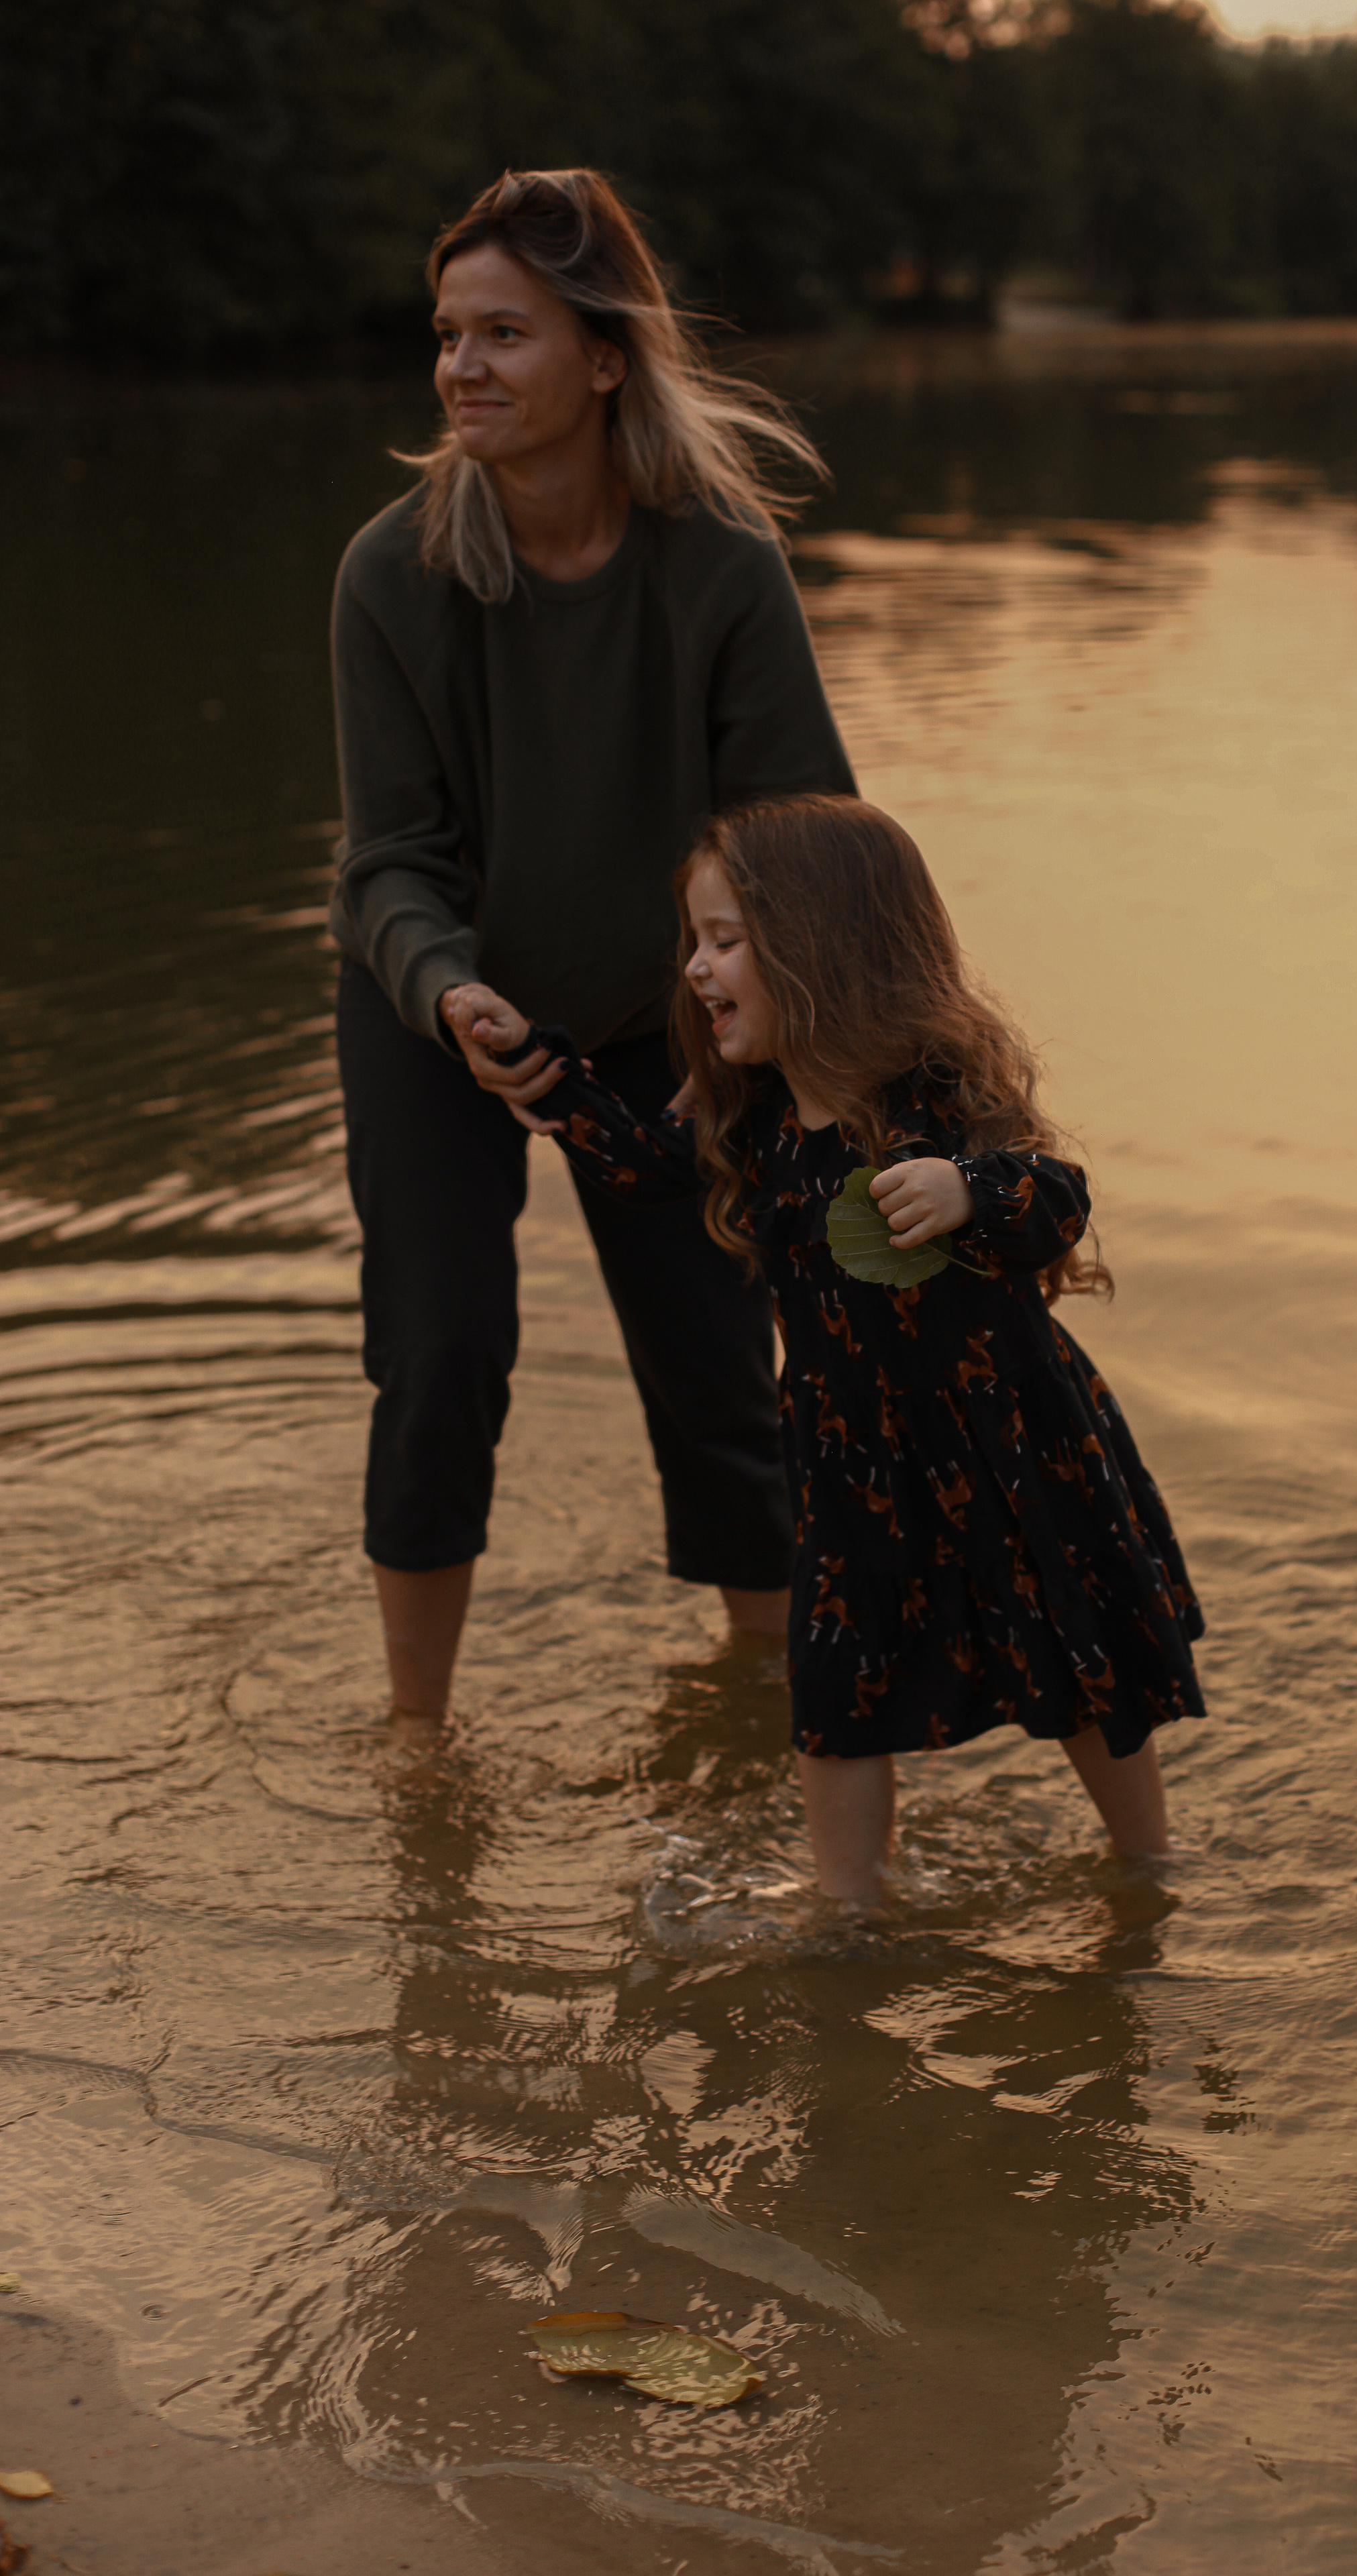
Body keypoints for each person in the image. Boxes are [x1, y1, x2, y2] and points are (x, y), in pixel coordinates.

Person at [328, 169, 856, 1717]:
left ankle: (771, 1713)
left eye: (504, 333)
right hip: (438, 1009)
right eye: (448, 335)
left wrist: (736, 1033)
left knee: (720, 1380)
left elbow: (798, 842)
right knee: (440, 1357)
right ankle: (417, 1741)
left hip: (666, 1018)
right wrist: (451, 996)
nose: (462, 367)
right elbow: (387, 862)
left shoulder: (722, 566)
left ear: (606, 356)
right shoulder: (388, 573)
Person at [472, 794, 1206, 1903]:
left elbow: (1054, 1197)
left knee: (1074, 1648)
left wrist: (968, 1191)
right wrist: (538, 1067)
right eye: (695, 941)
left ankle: (1148, 1867)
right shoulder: (758, 1121)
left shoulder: (927, 1097)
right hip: (850, 1455)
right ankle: (848, 1903)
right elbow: (640, 1165)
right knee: (835, 1685)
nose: (695, 969)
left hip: (1002, 1437)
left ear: (820, 949)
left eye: (725, 942)